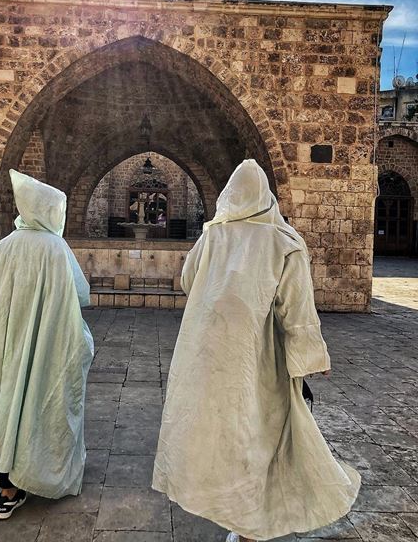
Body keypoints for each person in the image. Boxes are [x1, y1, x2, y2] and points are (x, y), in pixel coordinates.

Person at [152, 159, 360, 542]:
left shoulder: (212, 236)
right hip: (259, 361)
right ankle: (248, 527)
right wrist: (311, 359)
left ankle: (239, 521)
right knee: (258, 438)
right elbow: (296, 310)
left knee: (225, 438)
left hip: (209, 359)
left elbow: (187, 281)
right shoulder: (284, 242)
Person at [0, 169, 94, 519]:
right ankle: (37, 471)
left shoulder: (5, 246)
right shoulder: (55, 248)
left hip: (9, 341)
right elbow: (81, 293)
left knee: (9, 401)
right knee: (41, 401)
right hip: (46, 341)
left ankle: (7, 488)